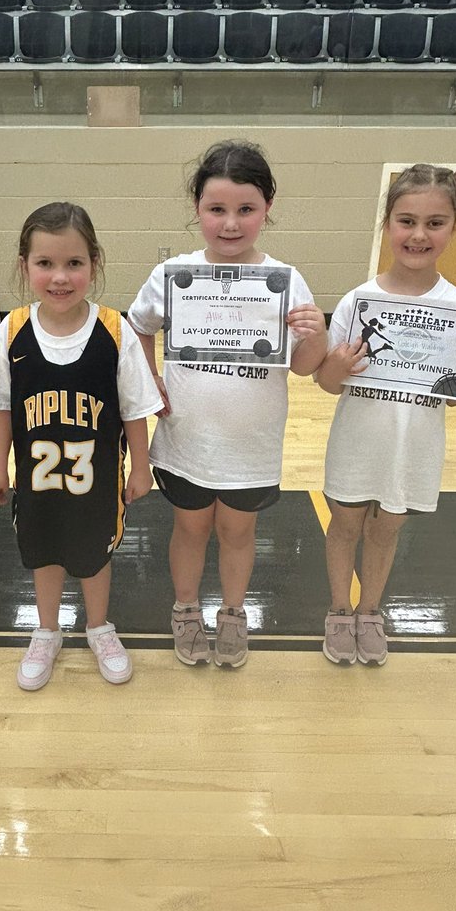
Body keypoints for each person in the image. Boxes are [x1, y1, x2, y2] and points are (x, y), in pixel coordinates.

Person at [128, 140, 328, 669]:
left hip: (251, 444)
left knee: (239, 533)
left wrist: (316, 334)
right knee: (190, 529)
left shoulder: (285, 280)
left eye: (246, 210)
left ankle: (234, 614)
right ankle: (187, 611)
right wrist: (150, 380)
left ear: (267, 209)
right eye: (217, 209)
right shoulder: (173, 274)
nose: (231, 223)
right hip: (188, 439)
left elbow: (307, 366)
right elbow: (138, 326)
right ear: (197, 210)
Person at [318, 164, 456, 668]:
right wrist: (333, 367)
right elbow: (326, 382)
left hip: (416, 445)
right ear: (387, 225)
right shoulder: (358, 301)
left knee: (385, 531)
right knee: (344, 525)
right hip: (357, 437)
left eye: (435, 222)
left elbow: (454, 394)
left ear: (453, 228)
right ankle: (339, 611)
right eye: (406, 220)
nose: (418, 234)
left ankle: (370, 611)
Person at [0, 202, 162, 691]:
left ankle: (99, 627)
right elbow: (1, 405)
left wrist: (141, 468)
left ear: (94, 264)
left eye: (73, 264)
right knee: (43, 554)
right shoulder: (12, 331)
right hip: (36, 482)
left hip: (98, 482)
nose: (59, 277)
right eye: (45, 264)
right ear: (25, 266)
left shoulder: (115, 331)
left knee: (94, 556)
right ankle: (46, 631)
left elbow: (135, 409)